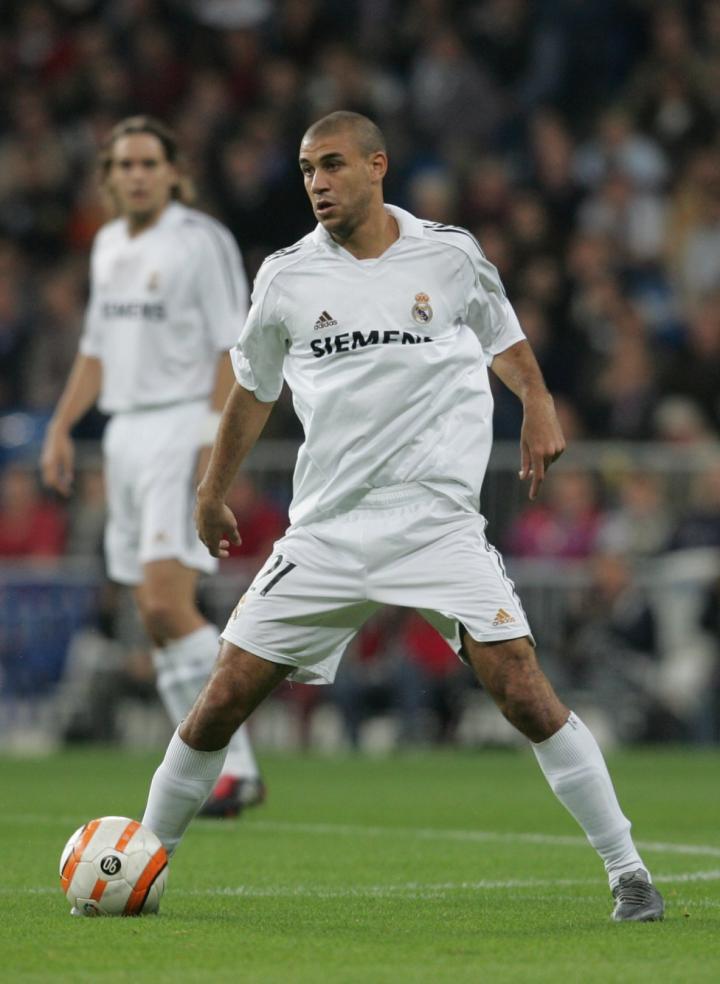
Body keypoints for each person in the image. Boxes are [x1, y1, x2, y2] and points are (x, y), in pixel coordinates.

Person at [141, 111, 664, 922]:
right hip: (327, 529)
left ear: (377, 166)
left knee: (523, 689)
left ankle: (629, 872)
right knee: (222, 699)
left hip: (434, 523)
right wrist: (212, 491)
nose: (317, 183)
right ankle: (141, 861)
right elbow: (252, 388)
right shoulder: (285, 276)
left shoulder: (449, 254)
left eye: (333, 165)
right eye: (307, 169)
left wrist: (537, 400)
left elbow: (504, 336)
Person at [40, 115, 264, 818]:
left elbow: (232, 348)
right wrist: (60, 426)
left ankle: (236, 767)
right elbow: (96, 349)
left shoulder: (201, 241)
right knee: (151, 613)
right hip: (125, 436)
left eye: (148, 163)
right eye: (124, 164)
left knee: (168, 602)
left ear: (173, 172)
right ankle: (212, 769)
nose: (136, 175)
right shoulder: (108, 244)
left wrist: (211, 448)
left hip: (179, 424)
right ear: (108, 177)